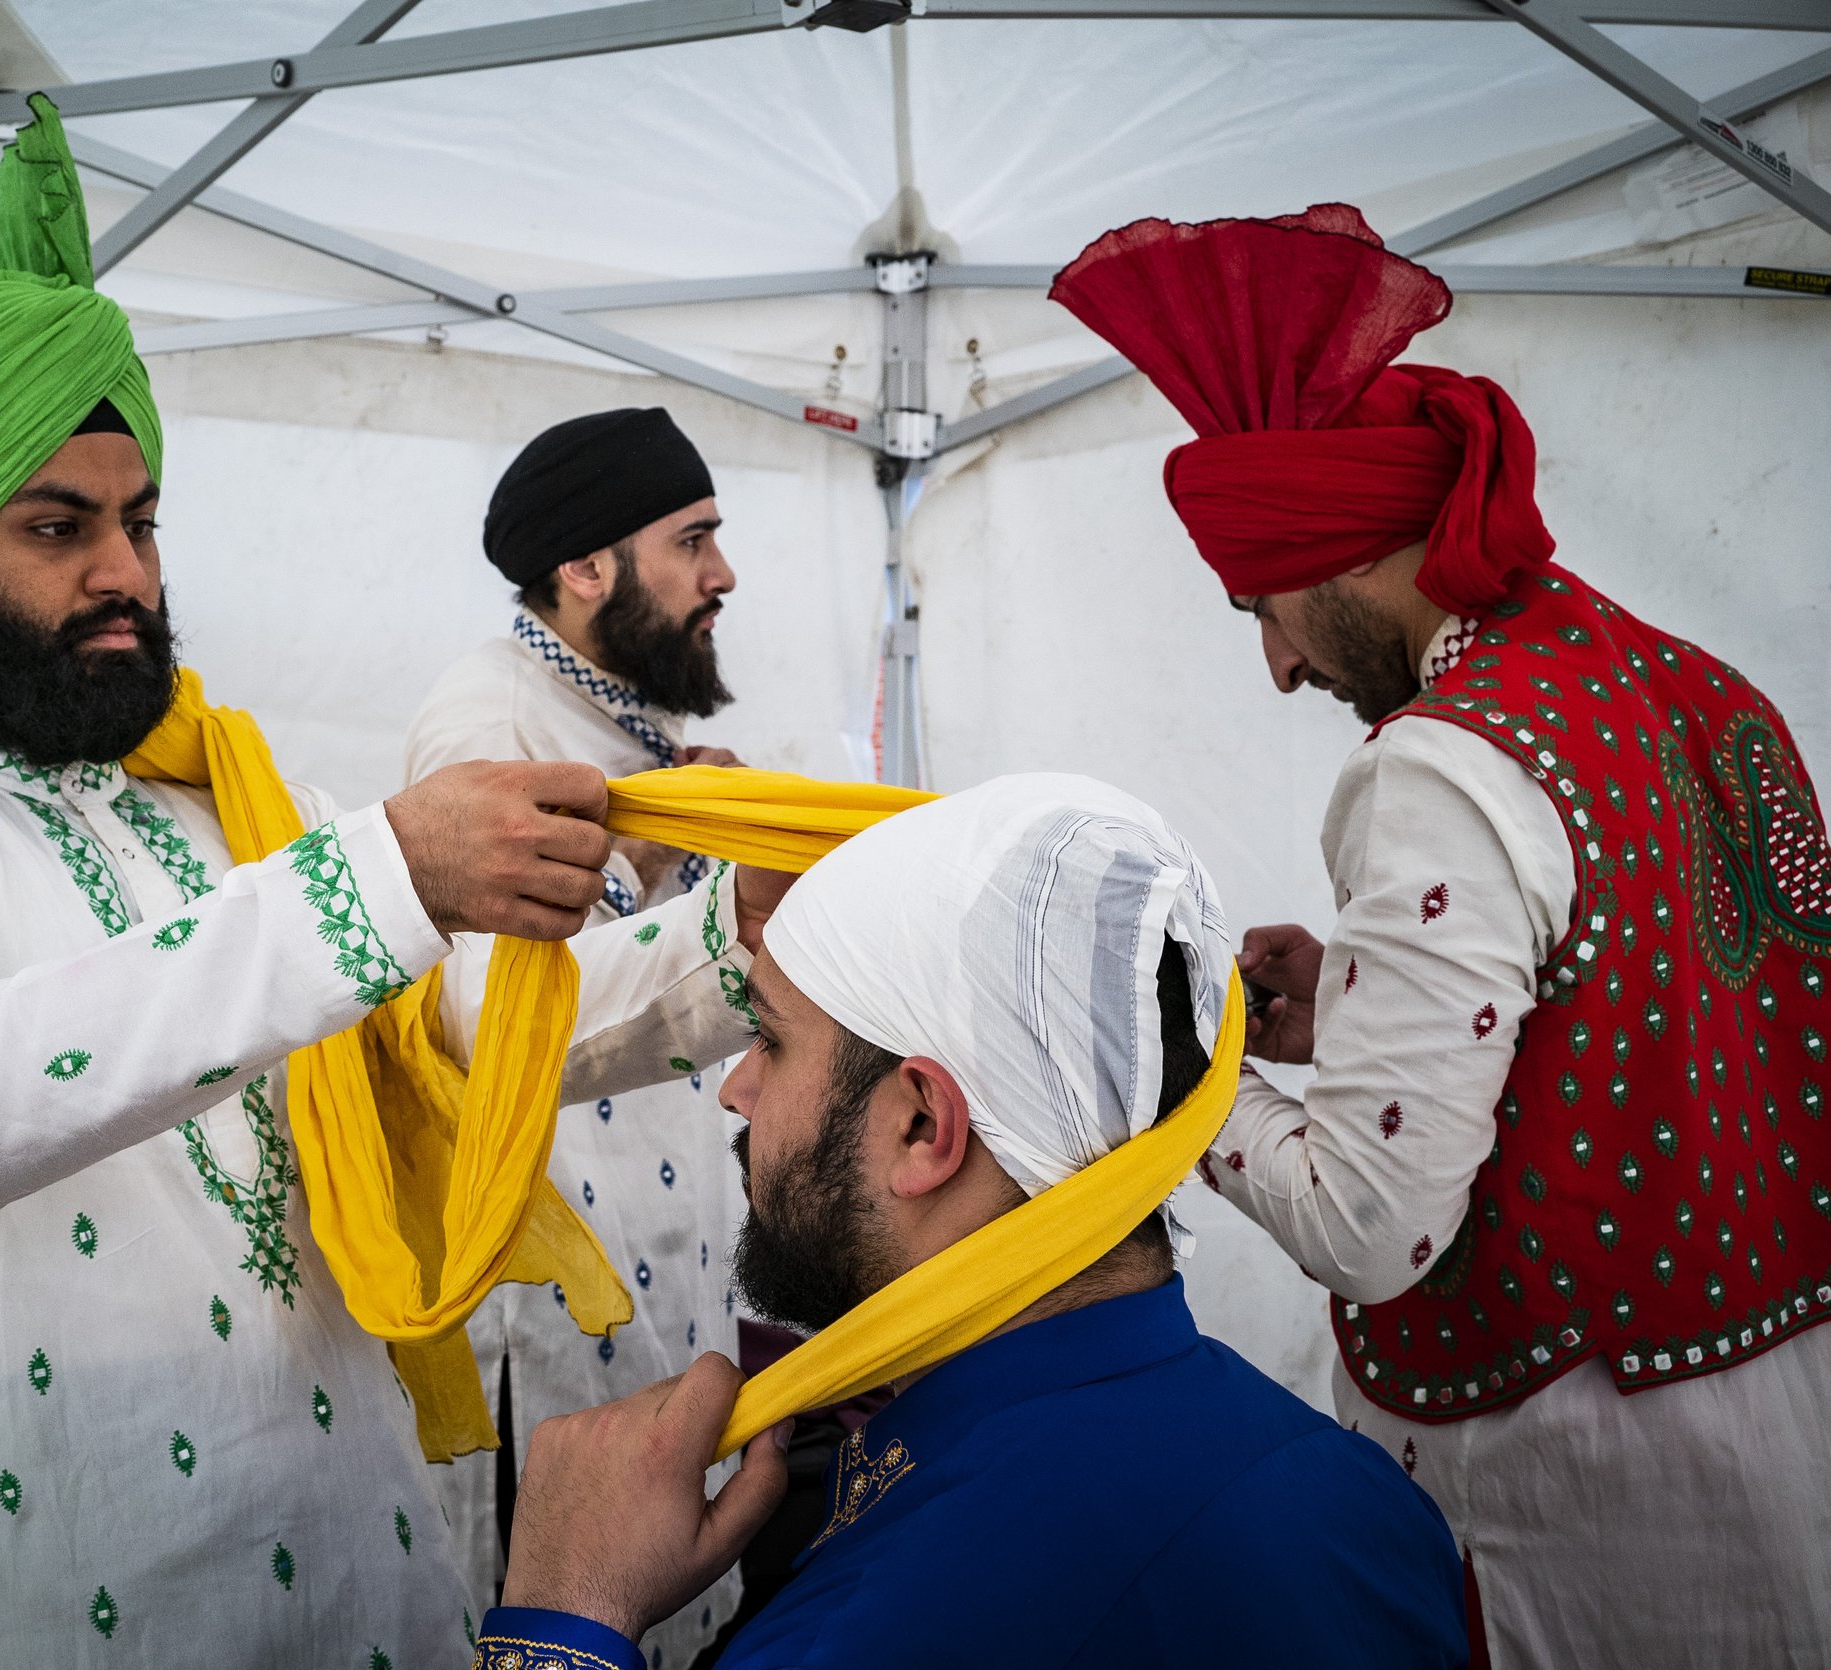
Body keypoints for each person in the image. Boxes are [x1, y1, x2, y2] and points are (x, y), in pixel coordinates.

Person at [0, 98, 778, 1670]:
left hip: (367, 1585)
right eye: (57, 528)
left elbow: (477, 1024)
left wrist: (728, 952)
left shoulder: (236, 825)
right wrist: (386, 872)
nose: (126, 572)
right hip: (47, 1614)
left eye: (138, 521)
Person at [1048, 204, 1831, 1668]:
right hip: (1787, 1418)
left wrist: (1170, 1067)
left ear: (1337, 551)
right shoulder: (1693, 685)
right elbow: (1660, 1003)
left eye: (1260, 605)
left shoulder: (1435, 760)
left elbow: (1370, 1225)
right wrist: (1349, 1009)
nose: (1277, 664)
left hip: (1595, 1498)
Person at [471, 776, 1471, 1669]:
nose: (734, 1087)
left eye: (768, 1039)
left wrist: (560, 1618)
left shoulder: (873, 1629)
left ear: (920, 1125)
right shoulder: (1367, 1498)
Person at [405, 408, 756, 1665]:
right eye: (693, 539)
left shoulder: (615, 712)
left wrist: (700, 835)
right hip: (550, 1319)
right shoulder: (484, 722)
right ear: (585, 568)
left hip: (668, 1274)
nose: (722, 573)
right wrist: (643, 859)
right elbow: (488, 1019)